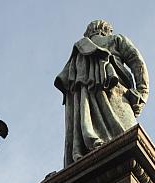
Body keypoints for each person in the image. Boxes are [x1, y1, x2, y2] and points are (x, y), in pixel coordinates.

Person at [55, 19, 149, 166]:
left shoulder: (76, 54)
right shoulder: (115, 39)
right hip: (116, 95)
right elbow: (137, 62)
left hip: (83, 118)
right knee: (129, 139)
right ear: (106, 30)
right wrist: (142, 92)